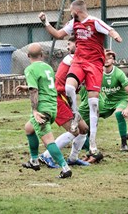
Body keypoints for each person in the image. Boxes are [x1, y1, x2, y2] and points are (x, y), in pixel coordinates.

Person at [39, 0, 122, 158]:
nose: (68, 47)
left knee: (90, 110)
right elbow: (58, 34)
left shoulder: (94, 22)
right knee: (71, 96)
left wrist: (116, 35)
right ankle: (47, 155)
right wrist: (45, 22)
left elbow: (110, 30)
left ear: (76, 11)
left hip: (93, 65)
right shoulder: (71, 56)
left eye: (70, 11)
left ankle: (86, 148)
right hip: (61, 94)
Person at [15, 43, 72, 179]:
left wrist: (35, 110)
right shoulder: (48, 67)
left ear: (28, 56)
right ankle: (34, 161)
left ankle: (65, 168)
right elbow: (42, 85)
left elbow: (34, 90)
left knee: (48, 140)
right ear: (42, 55)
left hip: (42, 108)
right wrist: (26, 87)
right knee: (29, 128)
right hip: (53, 106)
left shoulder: (30, 69)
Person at [39, 37, 90, 168]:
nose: (67, 47)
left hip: (65, 100)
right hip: (57, 99)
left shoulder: (80, 60)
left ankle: (73, 158)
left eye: (70, 44)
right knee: (74, 131)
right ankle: (46, 156)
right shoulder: (71, 59)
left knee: (84, 129)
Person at [79, 50, 128, 156]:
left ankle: (124, 144)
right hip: (107, 101)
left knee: (119, 114)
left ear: (114, 61)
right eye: (104, 57)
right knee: (87, 113)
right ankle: (85, 141)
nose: (106, 59)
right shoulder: (98, 72)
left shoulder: (119, 73)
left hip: (121, 100)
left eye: (109, 58)